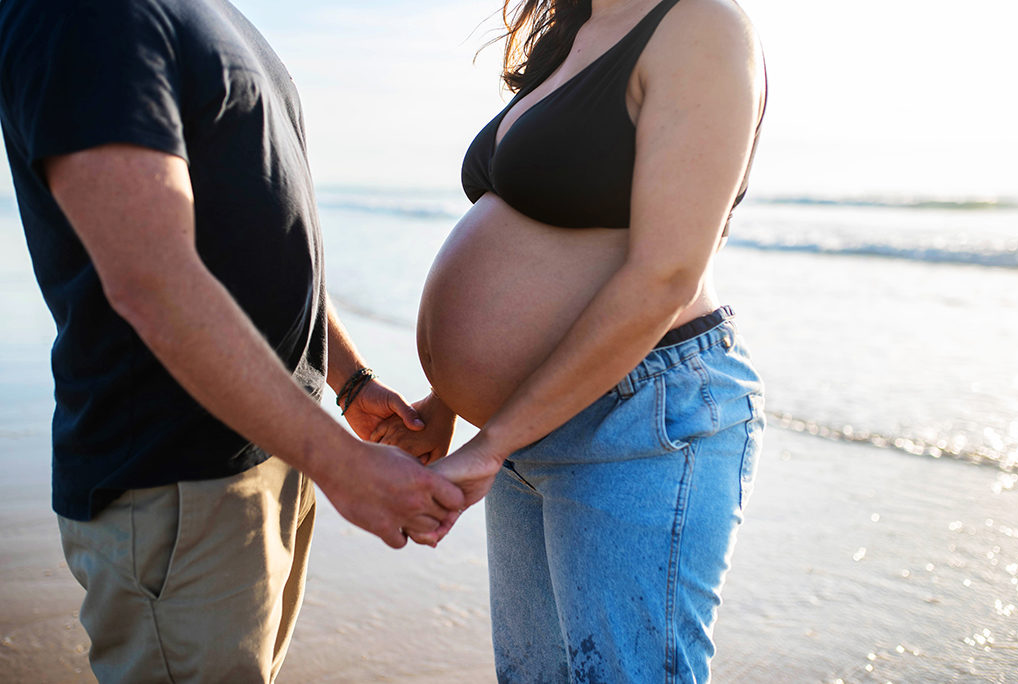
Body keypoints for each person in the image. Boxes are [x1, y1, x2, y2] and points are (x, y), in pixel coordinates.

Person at [0, 0, 463, 681]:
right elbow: (151, 280)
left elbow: (254, 230)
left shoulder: (212, 14)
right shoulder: (86, 15)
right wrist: (342, 466)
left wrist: (349, 382)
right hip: (178, 478)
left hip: (267, 450)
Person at [374, 0, 767, 680]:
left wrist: (490, 442)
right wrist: (450, 399)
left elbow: (667, 273)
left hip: (638, 422)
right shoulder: (574, 30)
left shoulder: (700, 23)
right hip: (534, 422)